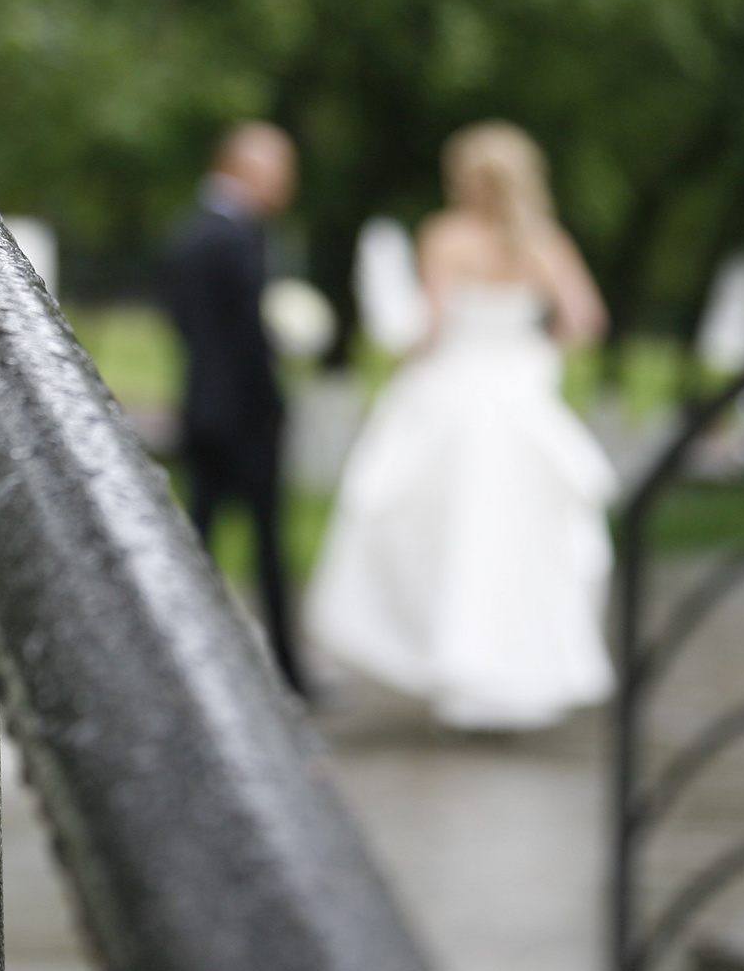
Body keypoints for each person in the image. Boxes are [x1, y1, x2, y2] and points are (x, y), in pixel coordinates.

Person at [304, 121, 616, 731]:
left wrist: (400, 356)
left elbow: (435, 327)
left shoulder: (446, 236)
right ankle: (520, 676)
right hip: (521, 402)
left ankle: (452, 662)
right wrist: (536, 353)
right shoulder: (546, 242)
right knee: (521, 543)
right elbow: (586, 319)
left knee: (446, 535)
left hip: (457, 394)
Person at [163, 122, 306, 694]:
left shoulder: (187, 234)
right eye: (282, 169)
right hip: (247, 417)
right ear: (250, 168)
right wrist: (273, 403)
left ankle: (176, 656)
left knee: (197, 539)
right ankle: (289, 673)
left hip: (201, 408)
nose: (289, 184)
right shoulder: (237, 238)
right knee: (269, 547)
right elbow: (248, 336)